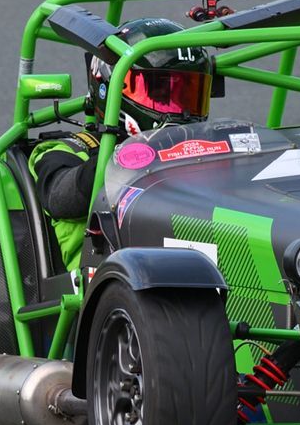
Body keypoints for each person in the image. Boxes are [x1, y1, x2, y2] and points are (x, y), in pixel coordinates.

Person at [28, 17, 215, 271]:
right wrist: (134, 157)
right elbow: (60, 198)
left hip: (191, 270)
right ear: (111, 88)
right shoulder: (67, 151)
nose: (179, 111)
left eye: (187, 95)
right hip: (103, 285)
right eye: (161, 95)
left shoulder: (199, 151)